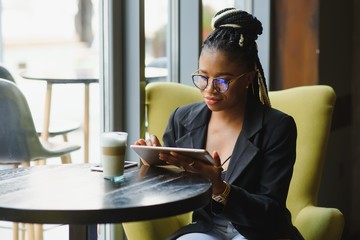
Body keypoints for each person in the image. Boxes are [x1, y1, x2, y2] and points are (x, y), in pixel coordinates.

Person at [134, 8, 304, 240]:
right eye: (203, 77)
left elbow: (271, 212)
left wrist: (219, 187)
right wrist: (152, 166)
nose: (209, 89)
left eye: (222, 80)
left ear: (248, 79)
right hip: (207, 229)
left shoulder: (277, 127)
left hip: (260, 232)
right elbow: (171, 191)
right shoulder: (182, 119)